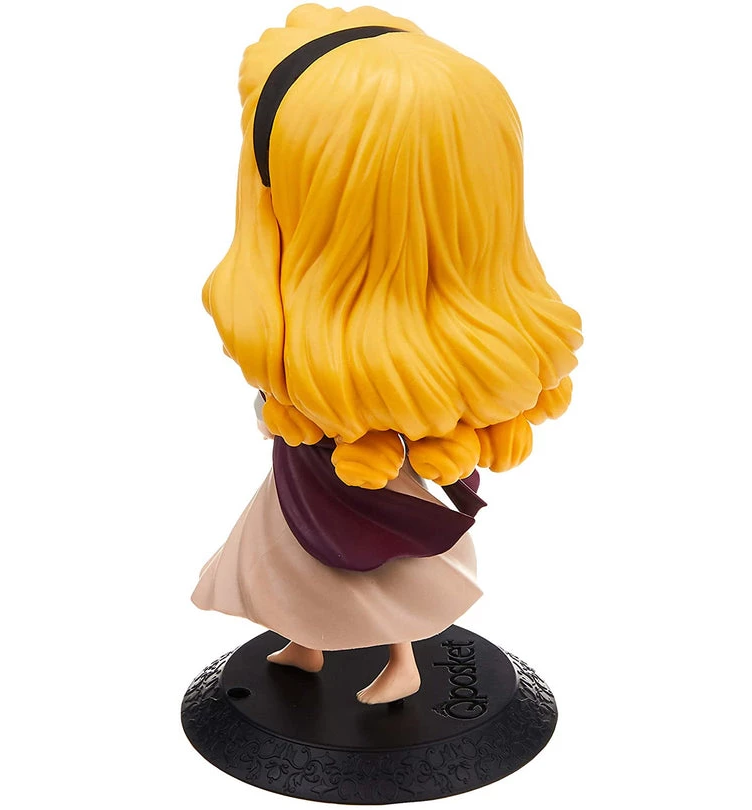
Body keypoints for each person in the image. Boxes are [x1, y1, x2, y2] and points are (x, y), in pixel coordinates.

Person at [192, 3, 582, 704]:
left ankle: (402, 665)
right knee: (293, 560)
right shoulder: (317, 334)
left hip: (368, 497)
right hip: (305, 480)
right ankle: (305, 642)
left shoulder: (381, 359)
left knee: (378, 577)